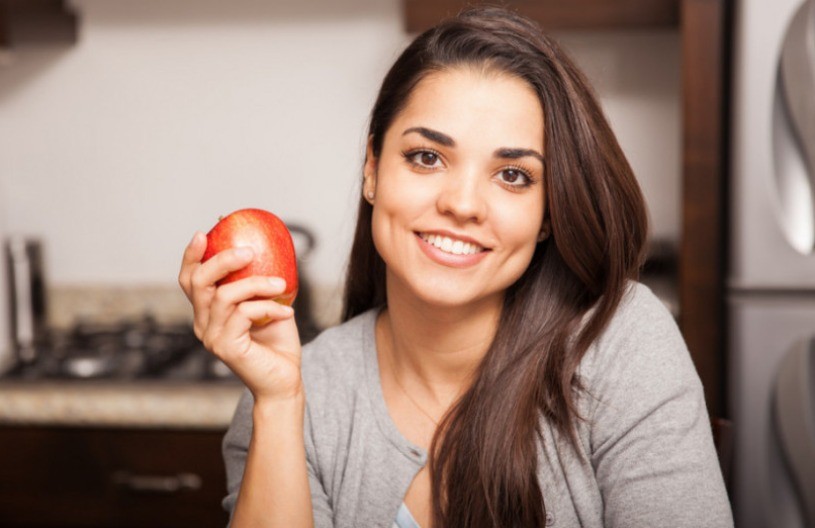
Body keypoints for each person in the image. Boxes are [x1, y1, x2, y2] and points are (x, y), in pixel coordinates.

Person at [178, 6, 733, 528]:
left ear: (548, 213)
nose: (462, 204)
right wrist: (278, 403)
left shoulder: (620, 345)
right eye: (427, 157)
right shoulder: (292, 397)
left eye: (513, 175)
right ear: (372, 169)